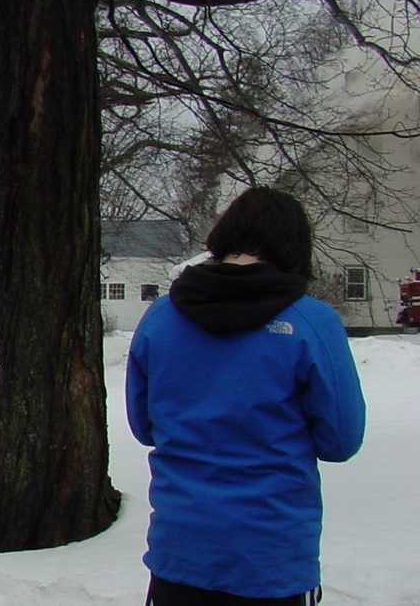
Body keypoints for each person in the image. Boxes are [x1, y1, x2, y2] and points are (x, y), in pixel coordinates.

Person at [126, 187, 365, 606]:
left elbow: (145, 426)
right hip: (272, 558)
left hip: (181, 551)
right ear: (293, 248)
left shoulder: (161, 317)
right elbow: (340, 440)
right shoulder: (311, 322)